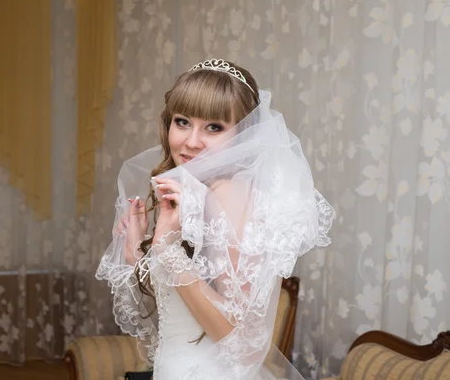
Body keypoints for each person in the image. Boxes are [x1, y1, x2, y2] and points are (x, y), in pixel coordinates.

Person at [96, 59, 335, 380]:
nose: (191, 141)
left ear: (244, 134)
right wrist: (138, 255)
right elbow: (185, 309)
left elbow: (244, 345)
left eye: (214, 127)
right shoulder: (196, 192)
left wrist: (166, 249)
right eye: (182, 122)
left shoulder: (230, 194)